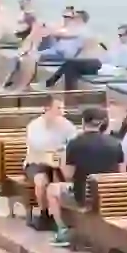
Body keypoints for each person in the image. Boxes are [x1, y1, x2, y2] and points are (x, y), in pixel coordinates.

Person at [46, 107, 123, 246]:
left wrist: (61, 161)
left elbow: (68, 175)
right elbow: (122, 173)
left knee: (52, 189)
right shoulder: (115, 143)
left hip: (83, 196)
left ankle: (63, 231)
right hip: (110, 195)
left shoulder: (75, 144)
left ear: (83, 122)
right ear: (103, 124)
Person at [23, 97, 78, 229]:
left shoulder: (67, 125)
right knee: (41, 181)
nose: (62, 112)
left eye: (63, 108)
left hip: (59, 160)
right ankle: (44, 214)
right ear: (47, 109)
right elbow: (37, 147)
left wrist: (61, 151)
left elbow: (73, 144)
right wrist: (56, 149)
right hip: (37, 161)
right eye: (58, 108)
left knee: (69, 175)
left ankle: (65, 217)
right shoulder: (34, 126)